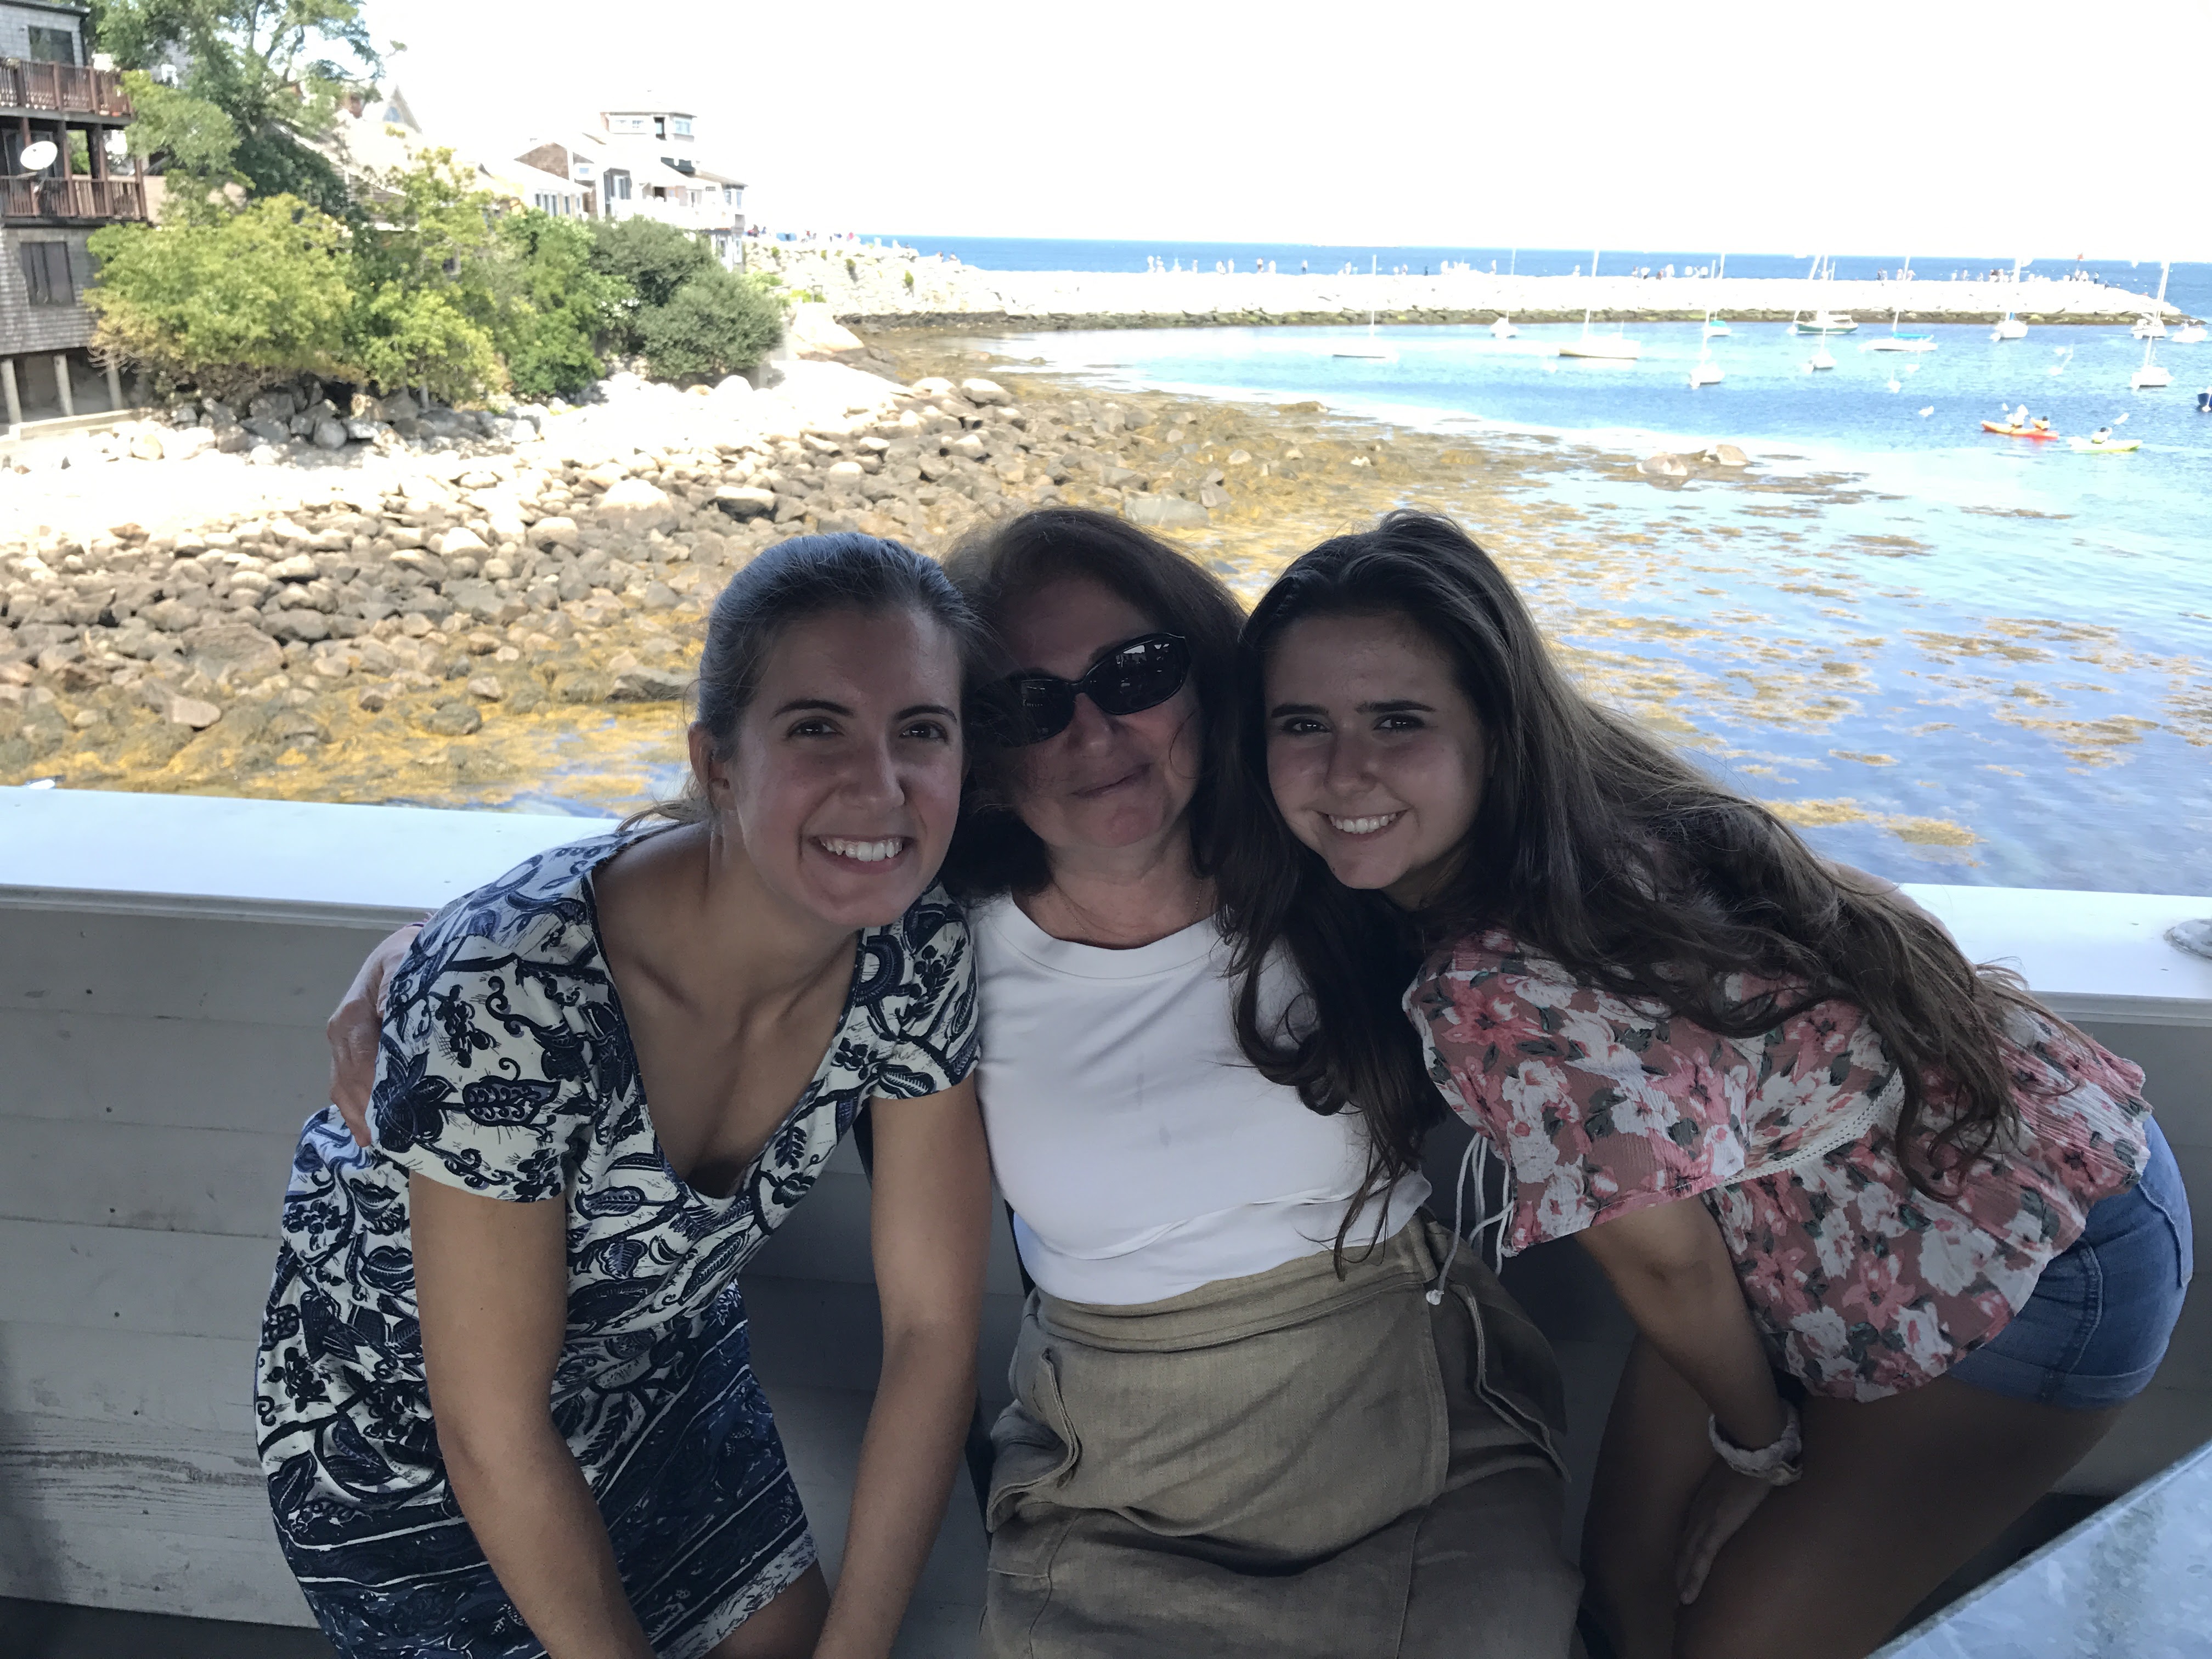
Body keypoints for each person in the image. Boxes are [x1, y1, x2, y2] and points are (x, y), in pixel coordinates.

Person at [326, 508, 1583, 1659]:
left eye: (1136, 674)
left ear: (1206, 677)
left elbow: (1570, 836)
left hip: (1399, 1418)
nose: (1093, 732)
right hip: (1118, 1467)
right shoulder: (936, 935)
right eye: (1028, 704)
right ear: (988, 756)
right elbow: (724, 846)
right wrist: (440, 953)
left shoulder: (1339, 867)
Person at [1228, 511, 2191, 1659]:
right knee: (1628, 1580)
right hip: (1857, 1202)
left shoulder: (1492, 990)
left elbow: (1666, 1263)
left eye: (1399, 721)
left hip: (2023, 1246)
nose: (1346, 771)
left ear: (1496, 731)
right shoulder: (1606, 812)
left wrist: (1761, 1450)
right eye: (1302, 723)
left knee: (1722, 1640)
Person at [266, 535, 996, 1659]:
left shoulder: (915, 953)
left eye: (922, 731)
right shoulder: (513, 995)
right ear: (719, 764)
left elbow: (933, 1330)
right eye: (818, 728)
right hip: (407, 1443)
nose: (881, 783)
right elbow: (491, 1429)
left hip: (659, 1365)